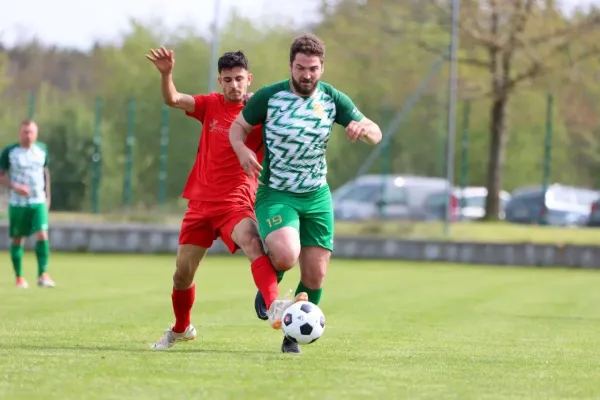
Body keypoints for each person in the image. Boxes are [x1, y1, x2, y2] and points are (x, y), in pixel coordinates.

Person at [145, 47, 307, 350]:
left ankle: (274, 305)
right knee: (182, 276)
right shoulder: (211, 105)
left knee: (252, 241)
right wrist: (166, 74)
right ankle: (181, 328)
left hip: (236, 202)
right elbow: (173, 99)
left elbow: (292, 124)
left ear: (249, 79)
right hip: (200, 205)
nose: (234, 84)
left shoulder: (261, 114)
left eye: (239, 79)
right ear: (220, 81)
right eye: (228, 79)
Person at [229, 34, 383, 354]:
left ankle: (292, 335)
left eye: (313, 68)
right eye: (300, 68)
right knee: (287, 254)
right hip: (277, 192)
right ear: (291, 66)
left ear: (322, 68)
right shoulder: (270, 97)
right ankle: (270, 279)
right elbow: (238, 127)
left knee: (316, 274)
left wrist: (362, 129)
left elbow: (376, 133)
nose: (306, 75)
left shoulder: (332, 99)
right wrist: (242, 149)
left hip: (316, 195)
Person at [0, 120, 55, 289]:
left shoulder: (42, 150)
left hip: (38, 200)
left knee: (42, 234)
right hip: (18, 203)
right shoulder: (10, 152)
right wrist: (15, 187)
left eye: (31, 132)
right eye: (25, 132)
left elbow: (45, 173)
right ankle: (19, 277)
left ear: (36, 133)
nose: (28, 135)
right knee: (18, 238)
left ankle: (43, 274)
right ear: (19, 133)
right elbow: (1, 176)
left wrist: (48, 197)